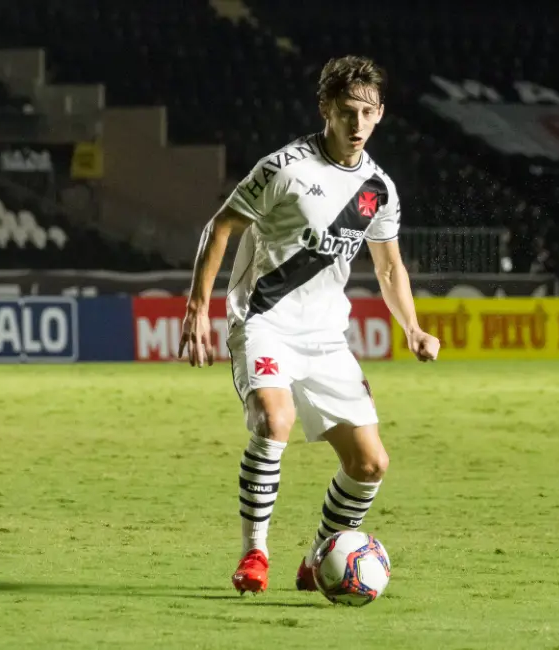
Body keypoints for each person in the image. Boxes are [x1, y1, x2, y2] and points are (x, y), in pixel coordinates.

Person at [178, 54, 440, 594]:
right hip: (265, 320)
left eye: (369, 113)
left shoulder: (377, 189)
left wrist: (412, 327)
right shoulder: (283, 168)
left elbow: (389, 266)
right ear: (325, 108)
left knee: (370, 465)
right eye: (348, 111)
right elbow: (219, 227)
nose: (358, 124)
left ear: (382, 114)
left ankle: (319, 556)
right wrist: (196, 309)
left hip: (325, 338)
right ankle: (255, 555)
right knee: (275, 421)